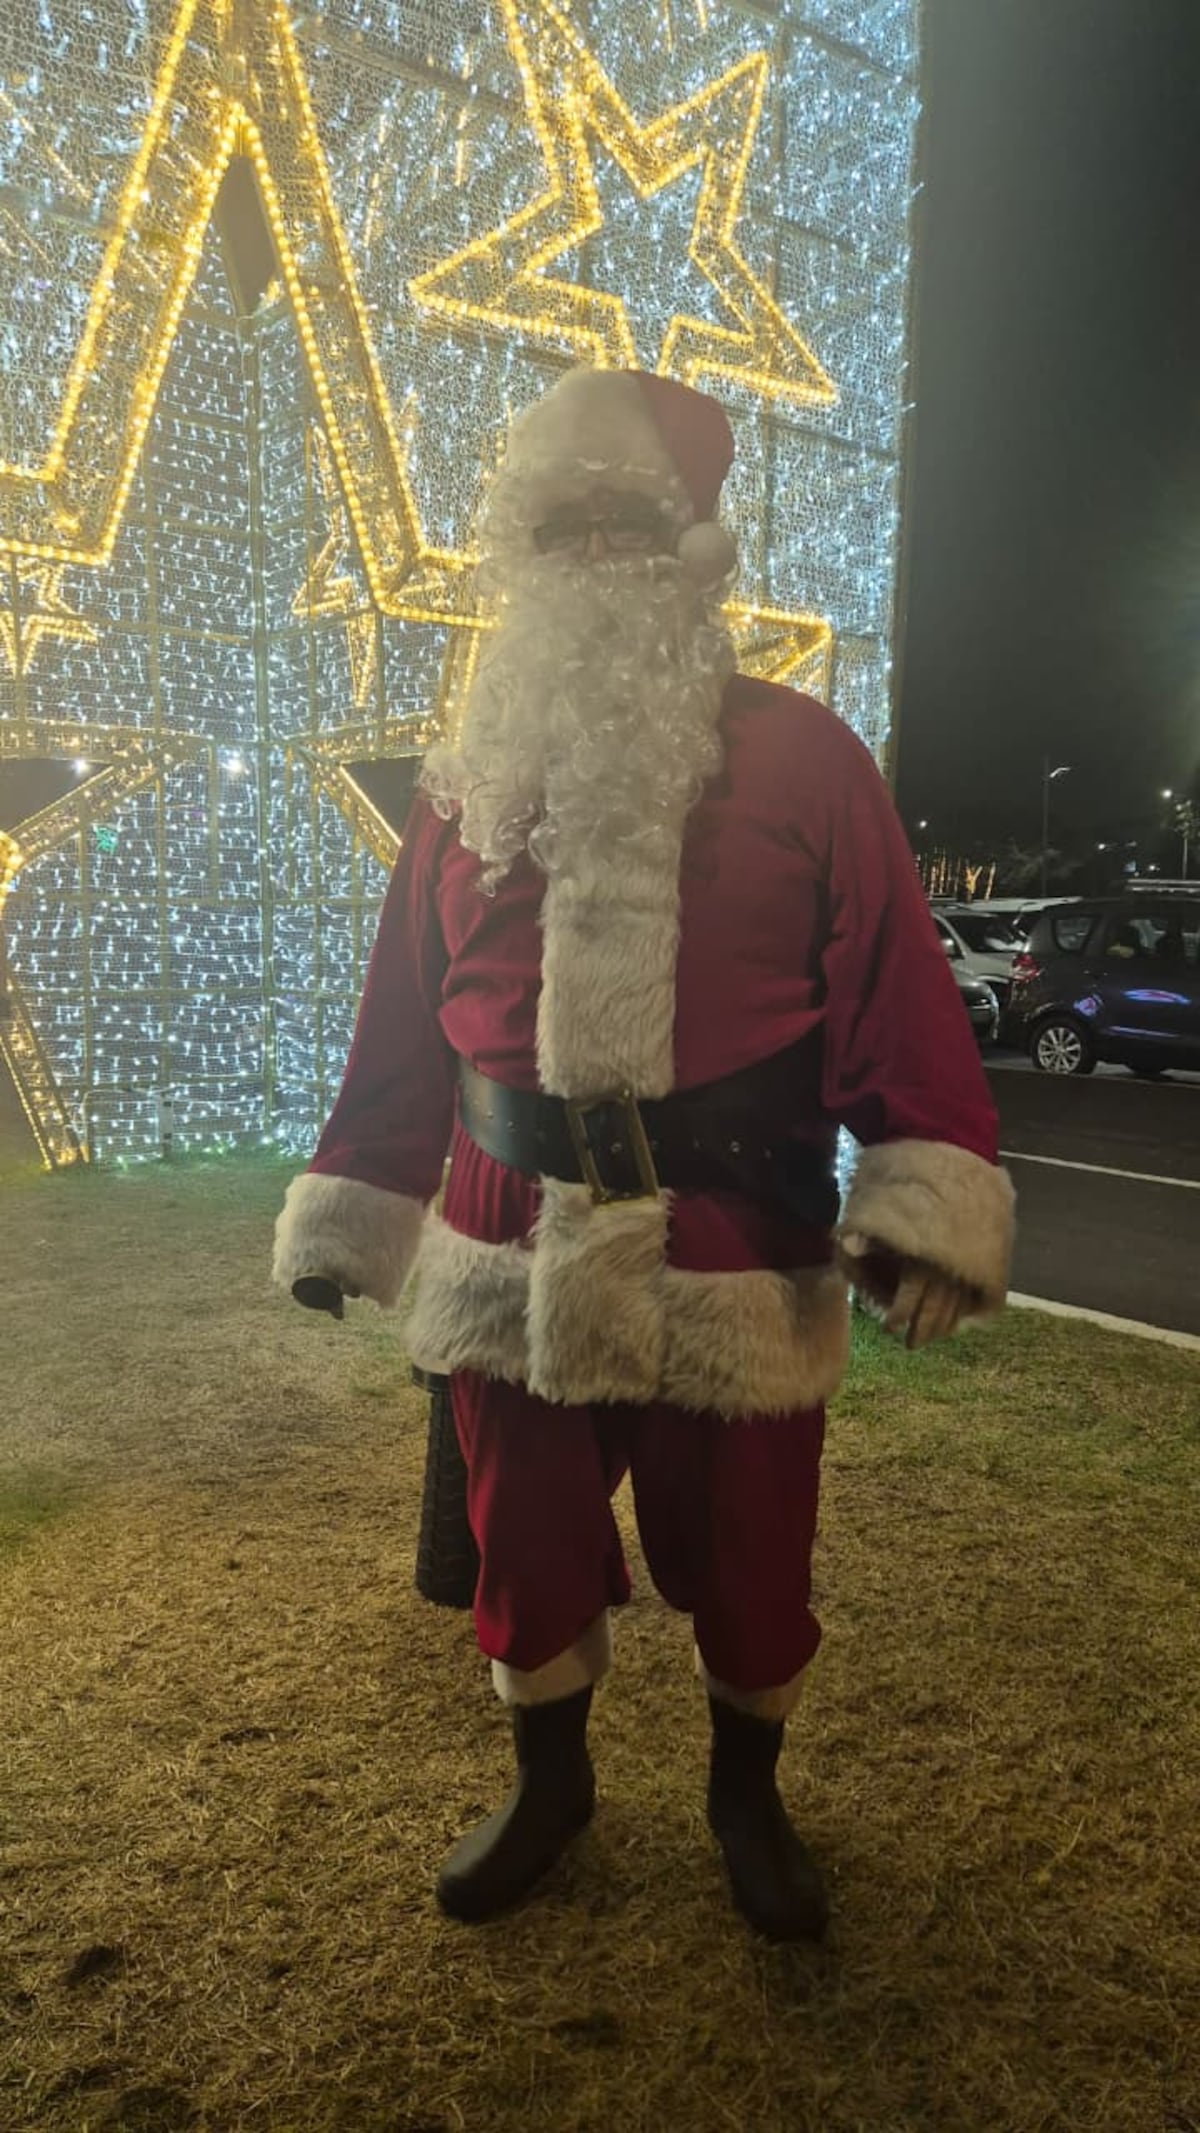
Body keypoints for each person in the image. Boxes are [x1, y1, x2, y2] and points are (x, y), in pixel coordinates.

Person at [273, 367, 1014, 1943]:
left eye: (626, 520)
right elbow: (406, 1022)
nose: (594, 552)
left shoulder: (810, 758)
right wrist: (357, 1200)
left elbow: (895, 988)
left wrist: (927, 1196)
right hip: (502, 1240)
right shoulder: (463, 788)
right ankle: (551, 1784)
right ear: (521, 551)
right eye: (563, 523)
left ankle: (748, 1794)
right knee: (525, 1546)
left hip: (731, 1238)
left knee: (750, 1558)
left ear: (694, 549)